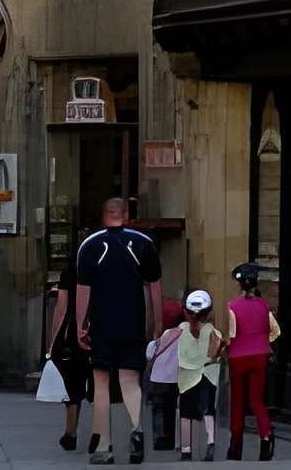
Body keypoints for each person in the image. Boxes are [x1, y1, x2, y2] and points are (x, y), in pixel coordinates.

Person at [75, 198, 163, 466]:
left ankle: (104, 446)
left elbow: (83, 290)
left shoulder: (89, 246)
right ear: (127, 216)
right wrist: (156, 324)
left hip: (102, 326)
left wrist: (81, 325)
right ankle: (136, 430)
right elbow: (154, 287)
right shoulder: (143, 244)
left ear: (105, 216)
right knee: (129, 381)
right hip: (132, 325)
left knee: (101, 385)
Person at [223, 266, 278, 462]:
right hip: (260, 355)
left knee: (238, 402)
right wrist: (262, 341)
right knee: (257, 400)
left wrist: (224, 348)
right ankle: (266, 438)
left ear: (239, 284)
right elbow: (275, 331)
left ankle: (235, 446)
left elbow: (231, 334)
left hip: (238, 356)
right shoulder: (264, 305)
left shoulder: (232, 306)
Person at [45, 257, 98, 453]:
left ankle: (71, 432)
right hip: (98, 332)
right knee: (99, 385)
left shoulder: (69, 272)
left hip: (72, 337)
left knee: (72, 386)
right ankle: (98, 434)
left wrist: (52, 341)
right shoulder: (103, 270)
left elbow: (62, 307)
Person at [174, 292, 222, 463]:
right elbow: (217, 354)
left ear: (186, 311)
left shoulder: (180, 329)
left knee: (185, 412)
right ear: (208, 312)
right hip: (208, 375)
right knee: (209, 409)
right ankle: (210, 442)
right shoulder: (212, 332)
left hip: (186, 378)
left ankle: (186, 450)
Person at [145, 300, 183, 453]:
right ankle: (171, 438)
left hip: (158, 379)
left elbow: (149, 354)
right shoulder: (183, 333)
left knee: (158, 410)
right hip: (175, 379)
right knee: (171, 410)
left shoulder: (165, 335)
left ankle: (159, 438)